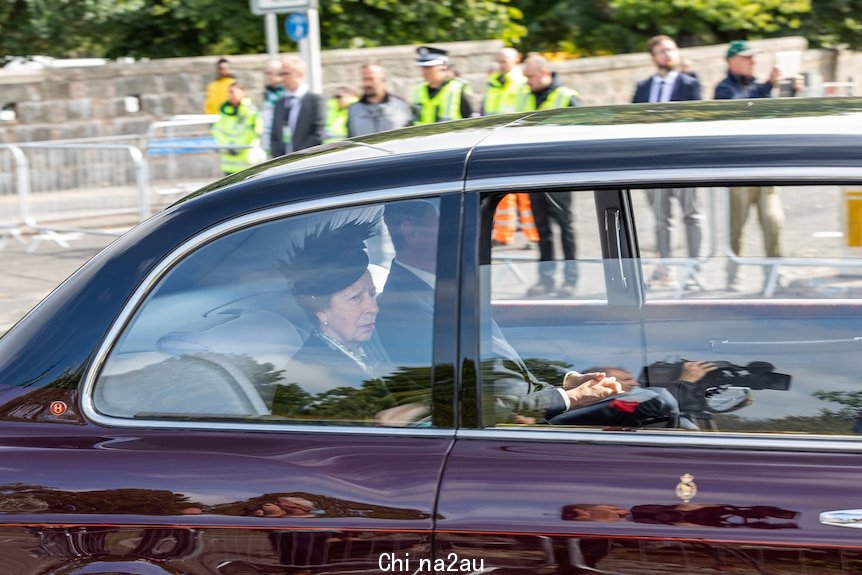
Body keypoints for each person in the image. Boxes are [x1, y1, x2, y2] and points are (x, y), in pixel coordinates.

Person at [375, 200, 622, 425]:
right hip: (520, 423)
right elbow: (473, 401)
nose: (469, 232)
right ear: (411, 231)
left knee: (649, 400)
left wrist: (568, 380)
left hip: (533, 405)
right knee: (651, 405)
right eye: (451, 222)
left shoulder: (442, 284)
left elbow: (499, 360)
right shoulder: (406, 311)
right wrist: (570, 398)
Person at [276, 217, 387, 397]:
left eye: (372, 294)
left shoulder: (371, 344)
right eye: (355, 298)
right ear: (322, 313)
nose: (373, 308)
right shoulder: (312, 380)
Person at [632, 35, 704, 288]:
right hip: (654, 164)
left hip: (684, 163)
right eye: (662, 51)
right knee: (662, 220)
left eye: (672, 49)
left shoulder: (690, 84)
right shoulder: (643, 87)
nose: (668, 54)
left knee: (691, 217)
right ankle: (665, 270)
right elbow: (633, 123)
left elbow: (697, 119)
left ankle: (694, 273)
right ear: (653, 57)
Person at [714, 40, 784, 291]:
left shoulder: (757, 86)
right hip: (740, 173)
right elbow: (740, 110)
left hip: (765, 171)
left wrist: (786, 90)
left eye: (754, 58)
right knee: (735, 230)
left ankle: (774, 276)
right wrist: (767, 86)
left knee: (773, 223)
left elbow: (776, 115)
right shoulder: (724, 88)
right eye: (747, 58)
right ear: (732, 61)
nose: (753, 62)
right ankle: (732, 278)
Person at [515, 57, 581, 297]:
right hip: (533, 171)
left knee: (565, 228)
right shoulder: (526, 96)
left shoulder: (566, 96)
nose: (527, 81)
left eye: (530, 76)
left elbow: (581, 134)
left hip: (559, 173)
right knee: (542, 230)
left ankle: (570, 280)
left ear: (544, 73)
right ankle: (546, 279)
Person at [270, 54, 325, 157]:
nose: (282, 79)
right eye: (280, 74)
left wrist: (298, 157)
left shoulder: (315, 101)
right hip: (282, 163)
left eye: (285, 74)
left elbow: (317, 135)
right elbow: (274, 136)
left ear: (299, 74)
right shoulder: (280, 103)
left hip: (305, 162)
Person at [411, 46, 474, 125]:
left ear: (444, 66)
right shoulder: (418, 89)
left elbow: (470, 119)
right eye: (422, 67)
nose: (424, 71)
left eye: (429, 67)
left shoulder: (457, 88)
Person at [347, 63, 414, 137]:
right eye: (364, 79)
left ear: (383, 80)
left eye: (371, 79)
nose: (367, 84)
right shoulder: (354, 110)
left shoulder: (401, 106)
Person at [210, 81, 262, 176]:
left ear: (242, 92)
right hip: (229, 162)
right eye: (229, 92)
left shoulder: (251, 111)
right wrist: (227, 145)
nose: (231, 95)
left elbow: (253, 132)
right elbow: (217, 130)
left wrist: (237, 147)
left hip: (247, 161)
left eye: (234, 92)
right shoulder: (225, 111)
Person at [483, 47, 525, 116]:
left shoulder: (523, 81)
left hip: (516, 123)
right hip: (493, 123)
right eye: (499, 62)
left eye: (504, 62)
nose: (501, 65)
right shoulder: (493, 81)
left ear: (516, 60)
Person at [260, 59, 284, 158]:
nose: (267, 76)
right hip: (269, 145)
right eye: (266, 73)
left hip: (281, 146)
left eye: (270, 73)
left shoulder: (285, 93)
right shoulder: (268, 92)